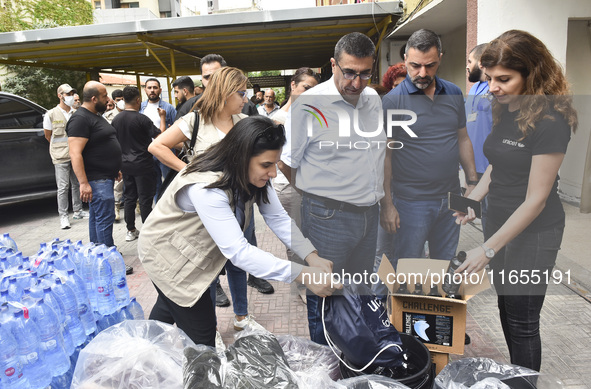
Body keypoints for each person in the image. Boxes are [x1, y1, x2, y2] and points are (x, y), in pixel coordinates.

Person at [138, 116, 339, 346]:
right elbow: (239, 253)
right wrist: (302, 273)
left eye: (275, 163)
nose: (273, 173)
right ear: (241, 157)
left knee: (167, 308)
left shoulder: (251, 171)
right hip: (168, 257)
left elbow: (277, 217)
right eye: (266, 165)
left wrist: (310, 256)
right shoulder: (207, 186)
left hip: (187, 255)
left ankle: (143, 353)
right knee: (202, 337)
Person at [455, 30, 577, 371]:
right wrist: (473, 200)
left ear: (532, 75)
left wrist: (487, 249)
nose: (492, 87)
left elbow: (536, 200)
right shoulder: (508, 106)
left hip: (535, 232)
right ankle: (515, 376)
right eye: (490, 78)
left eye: (503, 79)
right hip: (499, 220)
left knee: (523, 322)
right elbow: (498, 163)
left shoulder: (551, 121)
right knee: (506, 309)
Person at [148, 66, 271, 330]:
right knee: (202, 267)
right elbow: (156, 146)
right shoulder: (194, 121)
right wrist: (190, 172)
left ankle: (241, 316)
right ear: (225, 93)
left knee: (239, 260)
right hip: (204, 212)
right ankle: (203, 330)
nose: (246, 98)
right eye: (241, 92)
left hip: (239, 206)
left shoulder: (243, 123)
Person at [282, 32, 385, 344]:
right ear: (333, 65)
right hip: (328, 218)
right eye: (349, 72)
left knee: (358, 292)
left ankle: (356, 357)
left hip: (370, 216)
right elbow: (287, 162)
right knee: (325, 293)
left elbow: (379, 154)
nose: (356, 82)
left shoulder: (373, 99)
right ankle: (324, 362)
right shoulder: (310, 105)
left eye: (365, 73)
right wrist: (316, 195)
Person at [380, 29, 478, 268]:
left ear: (440, 58)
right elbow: (385, 156)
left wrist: (472, 183)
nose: (422, 73)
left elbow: (463, 139)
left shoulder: (453, 92)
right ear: (405, 60)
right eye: (415, 66)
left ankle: (437, 304)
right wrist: (388, 204)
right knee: (409, 269)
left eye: (430, 65)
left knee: (443, 266)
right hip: (411, 202)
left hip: (451, 198)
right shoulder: (392, 101)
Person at [272, 67, 319, 303]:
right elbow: (280, 162)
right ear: (293, 86)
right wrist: (300, 187)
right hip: (289, 187)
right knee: (295, 237)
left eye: (314, 90)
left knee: (304, 235)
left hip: (306, 186)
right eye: (305, 88)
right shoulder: (279, 119)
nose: (309, 94)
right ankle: (301, 284)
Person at [67, 81, 122, 247]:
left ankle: (97, 254)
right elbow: (75, 153)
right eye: (104, 96)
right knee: (104, 220)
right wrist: (83, 183)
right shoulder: (80, 119)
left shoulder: (95, 115)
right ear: (93, 98)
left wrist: (114, 168)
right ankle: (108, 258)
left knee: (97, 218)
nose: (108, 99)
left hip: (105, 177)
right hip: (97, 179)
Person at [112, 86, 165, 241]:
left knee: (129, 197)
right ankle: (148, 231)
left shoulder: (116, 119)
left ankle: (130, 230)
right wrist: (162, 117)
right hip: (143, 164)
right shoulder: (142, 119)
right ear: (138, 100)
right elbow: (160, 136)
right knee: (145, 198)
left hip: (125, 165)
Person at [43, 83, 88, 229]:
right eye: (67, 94)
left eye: (71, 94)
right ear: (60, 95)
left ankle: (78, 210)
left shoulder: (76, 113)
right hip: (60, 155)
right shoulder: (50, 114)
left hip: (76, 154)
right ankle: (63, 216)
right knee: (63, 187)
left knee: (76, 183)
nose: (69, 97)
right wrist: (61, 148)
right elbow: (48, 136)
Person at [465, 43, 493, 231]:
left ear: (481, 63)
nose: (467, 66)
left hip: (491, 165)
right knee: (481, 213)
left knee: (492, 215)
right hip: (473, 164)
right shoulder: (474, 88)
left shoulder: (494, 89)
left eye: (469, 61)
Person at [139, 78, 176, 201]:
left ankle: (171, 206)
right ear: (145, 90)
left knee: (170, 181)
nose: (152, 90)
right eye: (149, 88)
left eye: (155, 87)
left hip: (166, 150)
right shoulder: (141, 108)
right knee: (154, 183)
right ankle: (158, 207)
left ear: (160, 90)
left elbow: (176, 128)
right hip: (147, 152)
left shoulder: (169, 108)